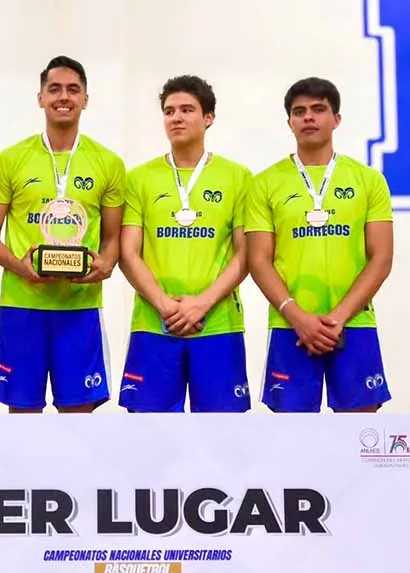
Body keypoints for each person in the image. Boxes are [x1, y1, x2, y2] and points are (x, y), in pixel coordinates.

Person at [0, 55, 126, 413]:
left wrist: (106, 264)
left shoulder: (108, 163)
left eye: (73, 90)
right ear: (41, 98)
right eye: (55, 89)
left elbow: (113, 237)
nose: (64, 96)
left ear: (85, 99)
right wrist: (20, 266)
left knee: (78, 416)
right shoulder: (10, 159)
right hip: (22, 305)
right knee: (23, 414)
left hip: (80, 307)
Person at [245, 76, 394, 413]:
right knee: (293, 432)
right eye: (299, 112)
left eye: (318, 109)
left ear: (336, 119)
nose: (308, 117)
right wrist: (298, 317)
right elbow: (259, 260)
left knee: (360, 428)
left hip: (354, 323)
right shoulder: (264, 183)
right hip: (290, 325)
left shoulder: (368, 180)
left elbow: (381, 257)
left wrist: (338, 318)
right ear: (290, 122)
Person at [117, 75, 253, 412]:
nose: (176, 118)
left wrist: (202, 304)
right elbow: (128, 253)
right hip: (154, 323)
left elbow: (246, 253)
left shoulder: (238, 177)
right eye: (169, 111)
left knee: (223, 431)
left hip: (217, 324)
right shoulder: (138, 178)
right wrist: (165, 306)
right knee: (150, 430)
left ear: (209, 117)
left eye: (187, 110)